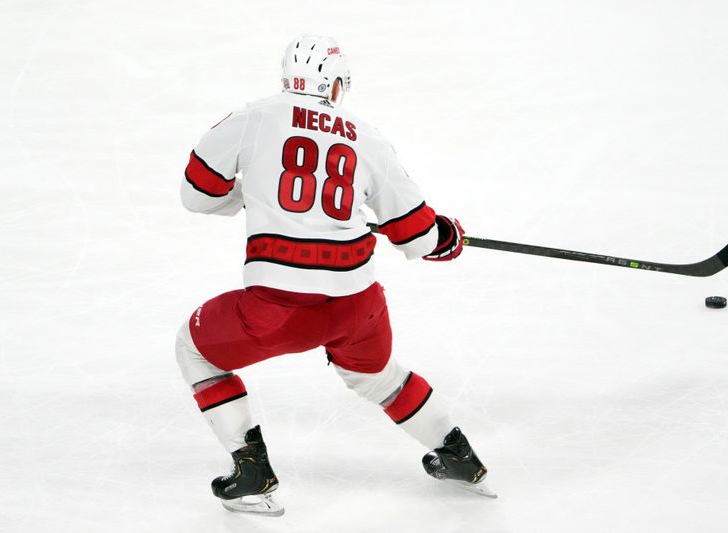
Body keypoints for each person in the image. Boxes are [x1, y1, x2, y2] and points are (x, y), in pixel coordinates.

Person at [175, 35, 494, 516]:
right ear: (337, 85)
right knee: (379, 378)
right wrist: (444, 235)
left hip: (278, 307)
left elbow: (198, 193)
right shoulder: (366, 136)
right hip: (357, 305)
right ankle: (459, 457)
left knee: (194, 350)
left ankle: (252, 471)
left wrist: (251, 196)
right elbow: (418, 235)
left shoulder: (252, 118)